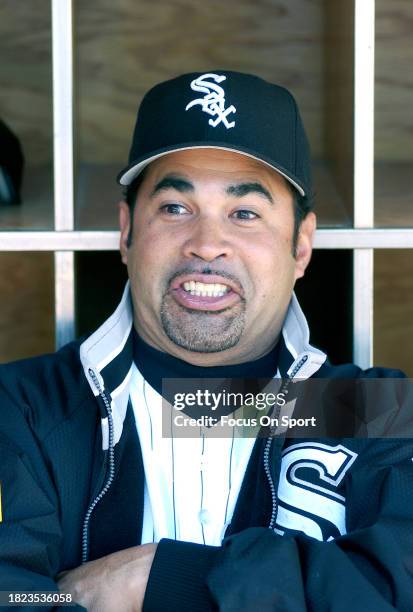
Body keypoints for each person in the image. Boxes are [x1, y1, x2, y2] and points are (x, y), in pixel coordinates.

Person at [0, 70, 412, 612]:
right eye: (175, 208)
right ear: (126, 232)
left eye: (245, 213)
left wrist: (160, 579)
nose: (207, 244)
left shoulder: (370, 410)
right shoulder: (25, 405)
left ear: (302, 246)